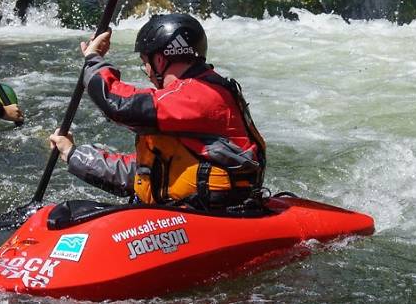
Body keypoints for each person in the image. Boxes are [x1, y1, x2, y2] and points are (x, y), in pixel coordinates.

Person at [48, 14, 266, 211]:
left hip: (214, 218)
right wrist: (74, 155)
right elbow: (142, 173)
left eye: (146, 63)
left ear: (160, 60)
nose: (147, 73)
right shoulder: (186, 98)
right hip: (181, 213)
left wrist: (94, 60)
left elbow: (118, 105)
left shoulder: (201, 95)